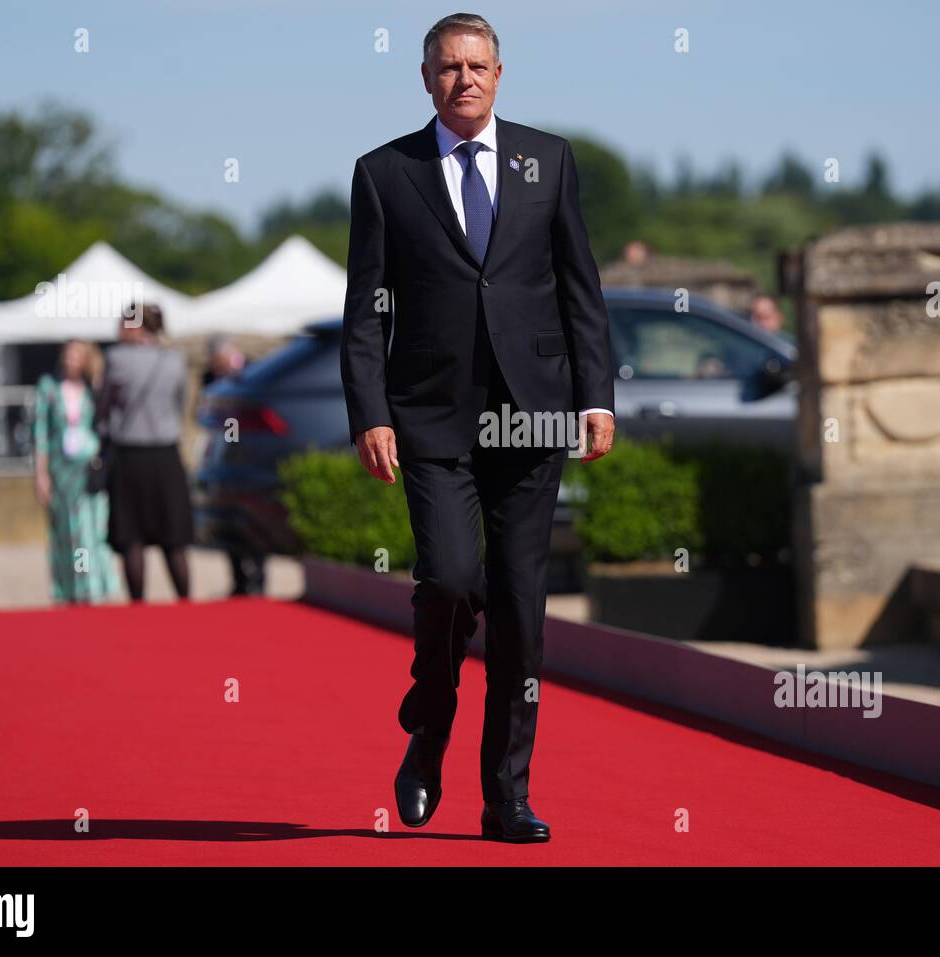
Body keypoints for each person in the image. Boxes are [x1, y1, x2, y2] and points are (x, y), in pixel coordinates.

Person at [339, 12, 615, 843]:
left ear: (500, 73)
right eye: (449, 66)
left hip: (531, 414)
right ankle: (430, 720)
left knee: (522, 613)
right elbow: (362, 315)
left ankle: (507, 796)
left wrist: (595, 395)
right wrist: (370, 412)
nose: (464, 78)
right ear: (426, 78)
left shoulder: (548, 160)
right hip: (432, 418)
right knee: (454, 580)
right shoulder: (385, 174)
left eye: (478, 65)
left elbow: (579, 288)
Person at [96, 303, 194, 602]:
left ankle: (138, 605)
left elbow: (102, 408)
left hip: (130, 456)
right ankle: (184, 601)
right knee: (173, 538)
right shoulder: (175, 361)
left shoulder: (116, 359)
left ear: (134, 326)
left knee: (131, 537)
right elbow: (182, 405)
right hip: (166, 455)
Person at [33, 340, 122, 604]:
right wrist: (41, 474)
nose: (70, 360)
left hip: (89, 468)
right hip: (62, 469)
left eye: (76, 355)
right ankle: (69, 588)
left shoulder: (92, 388)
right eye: (67, 355)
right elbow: (40, 434)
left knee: (91, 530)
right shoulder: (48, 388)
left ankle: (92, 586)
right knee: (67, 532)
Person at [200, 336, 264, 595]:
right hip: (222, 454)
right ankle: (238, 577)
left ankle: (258, 575)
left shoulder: (254, 370)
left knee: (253, 514)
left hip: (249, 452)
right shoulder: (209, 376)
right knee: (227, 515)